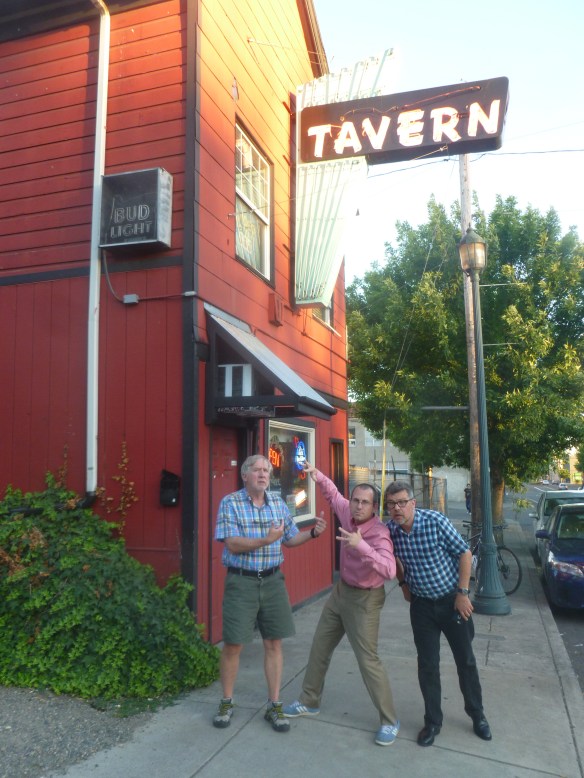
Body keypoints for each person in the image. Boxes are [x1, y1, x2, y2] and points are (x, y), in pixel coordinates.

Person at [283, 462, 400, 747]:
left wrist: (361, 545)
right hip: (341, 593)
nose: (358, 506)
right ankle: (309, 700)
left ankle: (389, 721)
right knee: (320, 646)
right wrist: (315, 473)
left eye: (365, 503)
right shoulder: (347, 510)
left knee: (367, 661)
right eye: (356, 500)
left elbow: (389, 570)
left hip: (365, 600)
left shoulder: (379, 533)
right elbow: (332, 493)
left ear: (374, 508)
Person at [213, 454, 327, 733]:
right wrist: (265, 540)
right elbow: (232, 544)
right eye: (257, 470)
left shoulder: (277, 502)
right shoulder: (230, 503)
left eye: (267, 470)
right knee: (233, 645)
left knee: (274, 644)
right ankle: (227, 701)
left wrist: (313, 533)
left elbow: (288, 540)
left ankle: (274, 704)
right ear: (245, 475)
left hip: (273, 581)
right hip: (242, 583)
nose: (263, 474)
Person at [384, 480, 492, 747]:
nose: (396, 509)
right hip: (421, 607)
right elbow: (394, 559)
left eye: (401, 502)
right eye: (390, 504)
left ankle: (477, 715)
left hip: (451, 601)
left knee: (465, 661)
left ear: (413, 503)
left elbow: (464, 553)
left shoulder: (435, 521)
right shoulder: (390, 531)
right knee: (427, 665)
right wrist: (403, 584)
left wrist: (463, 593)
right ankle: (433, 722)